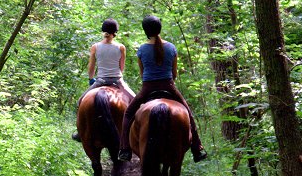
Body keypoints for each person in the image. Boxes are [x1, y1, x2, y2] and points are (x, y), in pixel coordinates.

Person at [117, 15, 208, 163]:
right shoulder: (171, 47)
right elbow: (174, 73)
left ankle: (125, 149)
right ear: (160, 28)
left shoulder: (142, 49)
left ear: (145, 30)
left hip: (147, 87)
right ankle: (197, 148)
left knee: (128, 114)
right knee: (188, 113)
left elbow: (142, 73)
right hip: (169, 86)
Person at [72, 18, 135, 141]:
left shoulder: (95, 47)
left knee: (80, 101)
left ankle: (80, 132)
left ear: (103, 31)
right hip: (118, 80)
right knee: (135, 101)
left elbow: (91, 67)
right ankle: (134, 130)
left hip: (100, 80)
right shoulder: (121, 47)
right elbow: (121, 68)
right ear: (115, 33)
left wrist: (91, 79)